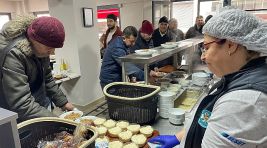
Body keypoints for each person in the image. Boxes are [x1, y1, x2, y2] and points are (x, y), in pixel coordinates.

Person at [149, 7, 267, 148]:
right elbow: (206, 119)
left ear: (231, 45)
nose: (203, 56)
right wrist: (178, 138)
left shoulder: (243, 103)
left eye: (207, 48)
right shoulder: (241, 77)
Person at [0, 16, 74, 122]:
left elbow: (47, 78)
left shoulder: (40, 50)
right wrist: (57, 120)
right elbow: (22, 103)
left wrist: (63, 102)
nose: (52, 52)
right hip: (16, 115)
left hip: (38, 103)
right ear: (34, 39)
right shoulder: (13, 54)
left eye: (54, 48)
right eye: (49, 48)